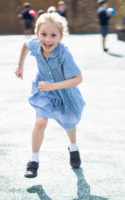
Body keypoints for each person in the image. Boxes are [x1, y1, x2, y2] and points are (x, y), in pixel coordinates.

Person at [15, 12, 85, 178]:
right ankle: (33, 161)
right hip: (43, 90)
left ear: (61, 36)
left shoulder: (64, 54)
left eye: (53, 35)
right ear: (37, 34)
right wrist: (20, 66)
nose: (47, 40)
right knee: (40, 122)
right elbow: (26, 45)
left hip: (65, 92)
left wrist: (53, 86)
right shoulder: (34, 44)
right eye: (43, 34)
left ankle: (73, 147)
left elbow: (78, 78)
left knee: (69, 124)